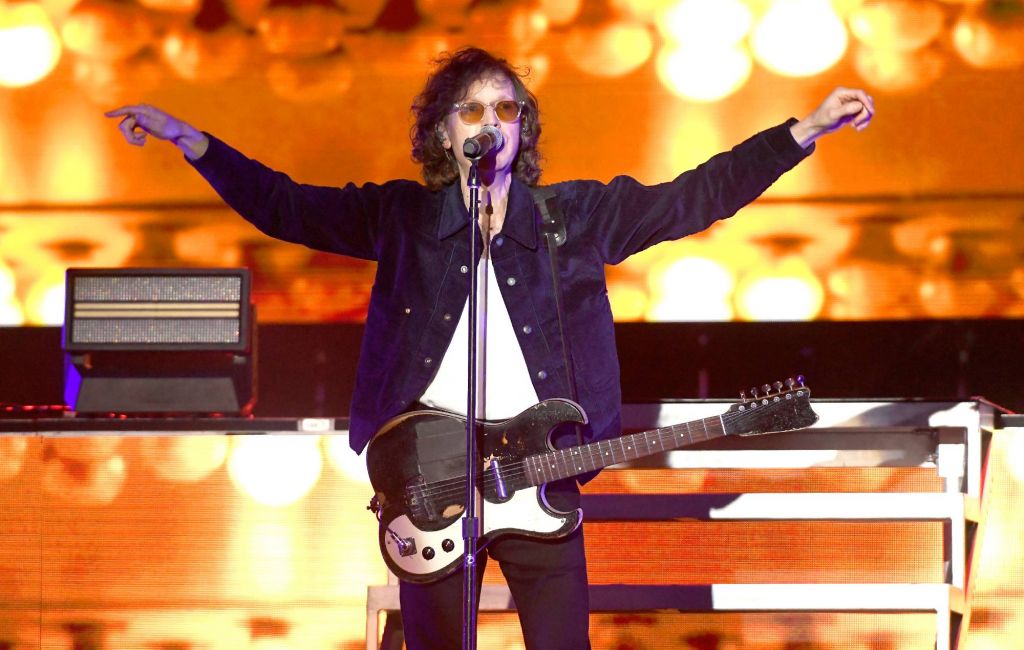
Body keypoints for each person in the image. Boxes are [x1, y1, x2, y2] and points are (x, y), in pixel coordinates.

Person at [106, 47, 874, 649]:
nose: (489, 120)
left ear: (523, 129)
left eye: (505, 108)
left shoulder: (572, 217)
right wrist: (192, 142)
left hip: (540, 475)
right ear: (444, 131)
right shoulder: (404, 218)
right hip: (431, 477)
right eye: (470, 109)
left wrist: (802, 130)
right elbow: (289, 208)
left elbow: (692, 198)